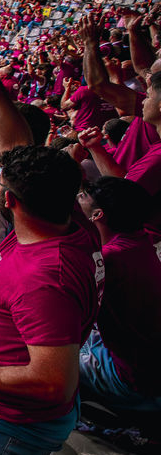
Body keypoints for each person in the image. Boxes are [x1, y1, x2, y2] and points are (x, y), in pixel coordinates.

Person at [0, 145, 101, 455]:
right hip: (5, 409)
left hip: (11, 424)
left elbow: (54, 384)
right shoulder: (63, 222)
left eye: (0, 182)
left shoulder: (44, 279)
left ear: (9, 200)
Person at [76, 176, 161, 412]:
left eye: (81, 197)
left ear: (97, 215)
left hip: (132, 378)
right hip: (148, 367)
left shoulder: (108, 260)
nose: (75, 201)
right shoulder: (140, 240)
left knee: (44, 362)